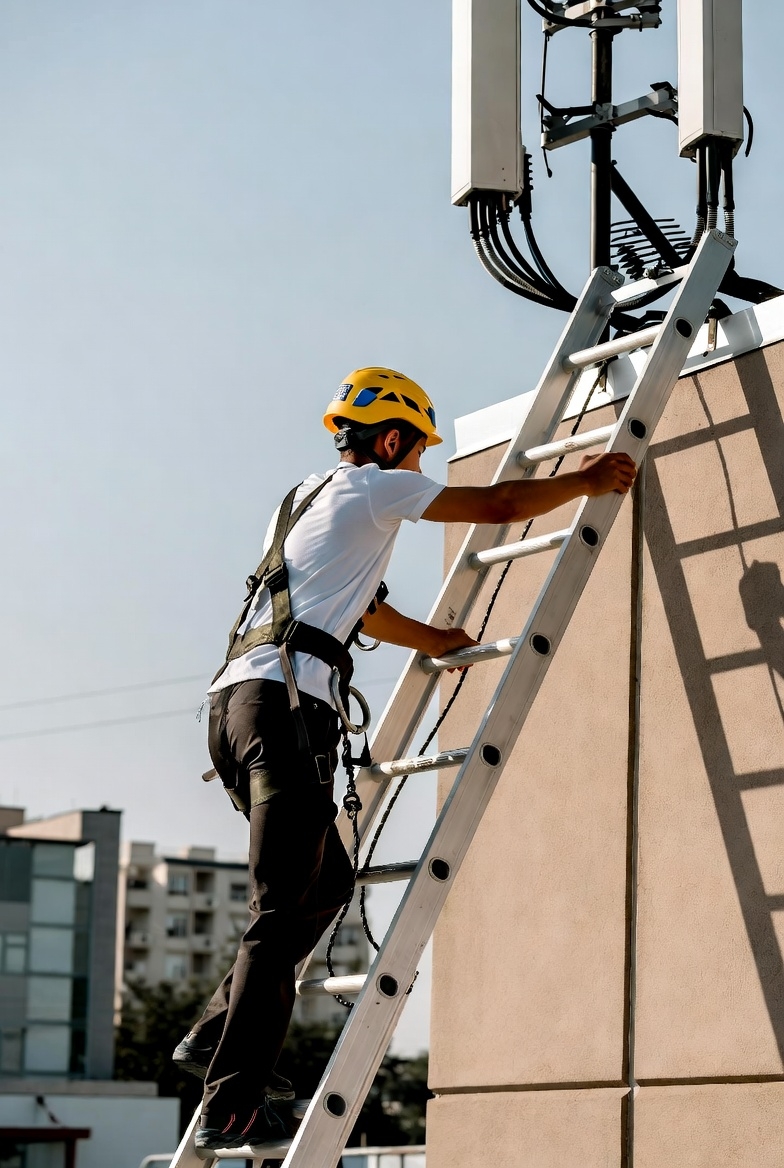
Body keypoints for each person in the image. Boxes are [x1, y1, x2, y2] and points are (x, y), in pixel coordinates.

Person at [172, 367, 636, 1151]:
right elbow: (493, 505)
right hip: (284, 710)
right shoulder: (374, 488)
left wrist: (434, 642)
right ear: (390, 439)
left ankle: (213, 1037)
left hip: (234, 709)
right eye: (417, 448)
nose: (417, 465)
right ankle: (233, 1101)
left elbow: (366, 609)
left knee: (324, 884)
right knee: (281, 911)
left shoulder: (303, 498)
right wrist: (589, 479)